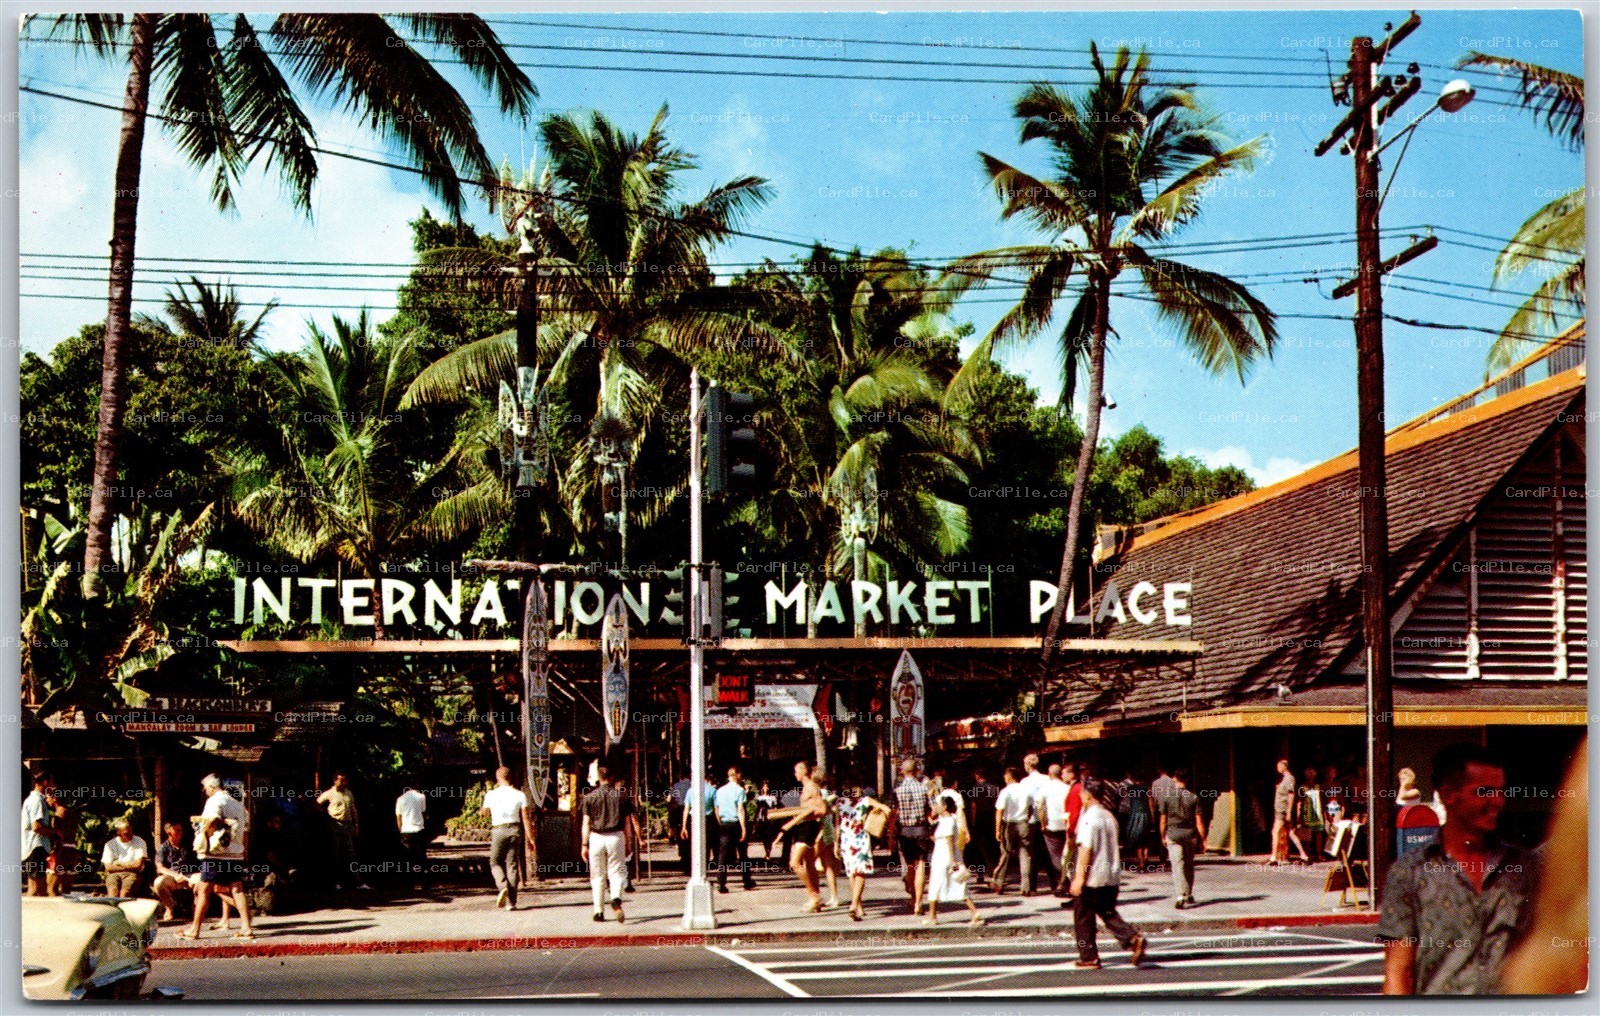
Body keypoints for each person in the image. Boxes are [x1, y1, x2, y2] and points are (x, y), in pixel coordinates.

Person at [1378, 745, 1536, 995]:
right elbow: (1398, 972)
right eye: (1484, 792)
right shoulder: (1410, 872)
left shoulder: (1527, 869)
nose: (1497, 801)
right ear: (1449, 795)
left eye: (1500, 791)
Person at [1070, 778, 1146, 969]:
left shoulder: (1089, 818)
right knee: (1107, 912)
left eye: (1082, 793)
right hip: (1111, 874)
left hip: (1092, 876)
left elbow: (1085, 849)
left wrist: (1079, 878)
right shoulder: (1109, 816)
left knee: (1083, 917)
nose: (1080, 796)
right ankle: (1132, 937)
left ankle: (1089, 956)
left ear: (1088, 795)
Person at [183, 774, 253, 941]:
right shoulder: (237, 804)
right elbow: (246, 827)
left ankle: (195, 930)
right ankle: (246, 927)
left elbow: (213, 820)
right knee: (237, 889)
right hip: (235, 853)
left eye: (205, 787)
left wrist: (204, 835)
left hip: (215, 853)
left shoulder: (214, 801)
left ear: (212, 787)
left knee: (204, 890)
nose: (204, 790)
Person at [581, 765, 639, 923]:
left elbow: (585, 823)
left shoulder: (589, 797)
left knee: (597, 876)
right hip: (616, 836)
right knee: (617, 871)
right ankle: (616, 898)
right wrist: (628, 843)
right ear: (612, 777)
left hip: (596, 837)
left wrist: (584, 845)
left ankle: (598, 911)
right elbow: (627, 824)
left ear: (598, 778)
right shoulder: (622, 797)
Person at [925, 795, 983, 927]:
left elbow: (949, 840)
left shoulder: (947, 822)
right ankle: (974, 913)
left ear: (944, 806)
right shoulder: (948, 820)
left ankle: (932, 916)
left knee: (935, 884)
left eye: (938, 804)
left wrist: (952, 861)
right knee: (959, 884)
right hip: (947, 855)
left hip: (943, 857)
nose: (935, 807)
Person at [478, 766, 530, 910]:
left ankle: (502, 886)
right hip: (515, 829)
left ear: (497, 778)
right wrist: (531, 839)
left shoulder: (491, 794)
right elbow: (526, 818)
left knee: (495, 862)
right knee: (512, 864)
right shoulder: (520, 794)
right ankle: (511, 902)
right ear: (511, 777)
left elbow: (485, 814)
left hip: (499, 830)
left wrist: (481, 809)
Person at [778, 760, 827, 912]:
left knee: (795, 863)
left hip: (808, 828)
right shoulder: (807, 787)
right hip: (805, 827)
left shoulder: (812, 787)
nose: (795, 774)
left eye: (796, 771)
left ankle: (814, 896)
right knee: (810, 864)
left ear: (803, 772)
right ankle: (815, 900)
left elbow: (822, 809)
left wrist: (807, 816)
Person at [1158, 768, 1207, 909]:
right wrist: (1203, 839)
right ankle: (1189, 893)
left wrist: (1162, 835)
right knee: (1189, 864)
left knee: (1177, 865)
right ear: (1187, 780)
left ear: (1174, 778)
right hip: (1190, 835)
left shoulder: (1166, 797)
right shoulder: (1193, 797)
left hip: (1173, 834)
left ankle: (1181, 895)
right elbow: (1199, 821)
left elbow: (1163, 820)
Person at [835, 787, 887, 921]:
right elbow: (886, 809)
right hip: (860, 838)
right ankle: (855, 905)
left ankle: (857, 905)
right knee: (860, 872)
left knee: (853, 873)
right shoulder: (866, 800)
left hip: (846, 839)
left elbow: (837, 825)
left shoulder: (840, 802)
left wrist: (836, 844)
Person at [891, 758, 932, 914]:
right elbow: (933, 810)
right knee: (921, 865)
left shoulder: (897, 789)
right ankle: (919, 903)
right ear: (917, 771)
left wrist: (891, 833)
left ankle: (913, 898)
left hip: (905, 831)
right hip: (921, 829)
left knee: (910, 867)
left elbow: (893, 812)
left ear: (903, 771)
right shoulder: (923, 788)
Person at [317, 772, 369, 890]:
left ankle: (358, 882)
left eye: (345, 781)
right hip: (335, 825)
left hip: (347, 826)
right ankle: (335, 882)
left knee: (351, 855)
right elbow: (317, 804)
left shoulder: (348, 793)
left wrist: (356, 824)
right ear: (335, 780)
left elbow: (353, 809)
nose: (344, 783)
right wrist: (326, 816)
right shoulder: (329, 793)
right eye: (341, 780)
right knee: (335, 854)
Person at [990, 767, 1033, 895]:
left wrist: (997, 829)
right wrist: (1026, 818)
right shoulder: (1026, 790)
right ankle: (1026, 887)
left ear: (1009, 776)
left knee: (1005, 853)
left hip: (1009, 824)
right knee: (1025, 854)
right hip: (1023, 823)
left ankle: (998, 882)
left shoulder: (1005, 791)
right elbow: (1031, 808)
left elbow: (999, 811)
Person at [713, 766, 755, 893]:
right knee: (743, 854)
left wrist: (720, 821)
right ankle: (747, 881)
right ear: (736, 774)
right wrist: (743, 828)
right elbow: (741, 810)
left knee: (723, 854)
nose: (741, 776)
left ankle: (721, 882)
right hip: (736, 823)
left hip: (724, 823)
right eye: (740, 774)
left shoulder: (719, 790)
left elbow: (717, 808)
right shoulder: (740, 790)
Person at [152, 820, 199, 921]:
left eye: (181, 830)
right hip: (173, 877)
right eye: (177, 830)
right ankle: (169, 909)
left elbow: (199, 862)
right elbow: (160, 867)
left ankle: (197, 910)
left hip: (190, 875)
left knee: (200, 880)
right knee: (159, 883)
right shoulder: (163, 848)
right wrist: (175, 875)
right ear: (169, 833)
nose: (180, 832)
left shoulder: (189, 845)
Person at [21, 770, 57, 897]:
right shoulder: (37, 801)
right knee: (36, 888)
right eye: (52, 783)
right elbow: (37, 827)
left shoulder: (36, 800)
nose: (53, 786)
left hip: (35, 848)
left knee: (38, 887)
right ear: (45, 782)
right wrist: (56, 832)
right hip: (36, 848)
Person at [1017, 752, 1050, 892]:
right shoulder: (1046, 779)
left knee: (1031, 853)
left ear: (1028, 765)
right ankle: (1055, 881)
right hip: (1046, 819)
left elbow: (1024, 802)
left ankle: (1031, 885)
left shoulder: (1025, 782)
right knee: (1047, 851)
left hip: (1031, 819)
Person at [1268, 759, 1309, 864]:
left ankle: (1273, 857)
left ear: (1284, 766)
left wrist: (1289, 811)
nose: (1278, 768)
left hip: (1283, 810)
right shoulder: (1283, 779)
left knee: (1275, 831)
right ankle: (1304, 855)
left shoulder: (1289, 778)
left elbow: (1291, 794)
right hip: (1280, 809)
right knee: (1291, 833)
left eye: (1279, 766)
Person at [1039, 764, 1072, 893]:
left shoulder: (1045, 788)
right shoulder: (1067, 788)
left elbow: (1040, 807)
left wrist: (1043, 824)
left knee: (1055, 855)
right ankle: (1067, 877)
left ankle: (1064, 880)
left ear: (1049, 774)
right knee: (1068, 854)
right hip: (1066, 823)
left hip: (1052, 825)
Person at [813, 769, 843, 908]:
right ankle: (834, 897)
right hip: (829, 831)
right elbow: (837, 817)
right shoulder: (832, 796)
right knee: (828, 865)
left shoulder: (816, 795)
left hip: (819, 831)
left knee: (810, 864)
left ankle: (815, 896)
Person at [395, 782, 430, 891]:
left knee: (407, 858)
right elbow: (423, 812)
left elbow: (398, 817)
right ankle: (425, 883)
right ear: (416, 785)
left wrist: (401, 830)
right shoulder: (421, 797)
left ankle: (409, 884)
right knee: (422, 858)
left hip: (406, 830)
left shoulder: (400, 799)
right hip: (418, 829)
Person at [100, 818, 148, 898]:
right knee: (113, 892)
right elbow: (108, 867)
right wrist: (130, 865)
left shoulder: (139, 842)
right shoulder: (110, 845)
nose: (130, 835)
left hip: (132, 874)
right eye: (126, 833)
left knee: (125, 893)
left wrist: (119, 863)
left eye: (131, 831)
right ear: (118, 833)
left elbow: (138, 865)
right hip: (114, 874)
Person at [968, 770, 999, 873]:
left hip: (980, 817)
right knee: (992, 842)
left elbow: (973, 806)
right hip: (992, 817)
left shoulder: (976, 788)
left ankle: (981, 870)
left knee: (981, 845)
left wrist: (972, 820)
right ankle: (994, 867)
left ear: (977, 776)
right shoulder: (994, 788)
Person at [667, 773, 692, 872]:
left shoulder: (676, 786)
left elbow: (671, 799)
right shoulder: (693, 785)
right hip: (689, 810)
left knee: (680, 832)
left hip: (678, 810)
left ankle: (683, 855)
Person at [1300, 768, 1326, 858]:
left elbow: (1322, 800)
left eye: (1312, 774)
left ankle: (1319, 853)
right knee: (1308, 835)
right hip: (1307, 813)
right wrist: (1299, 815)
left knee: (1319, 834)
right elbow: (1299, 802)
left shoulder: (1318, 786)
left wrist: (1324, 813)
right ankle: (1308, 854)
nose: (1310, 776)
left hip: (1317, 813)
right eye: (1308, 774)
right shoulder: (1302, 787)